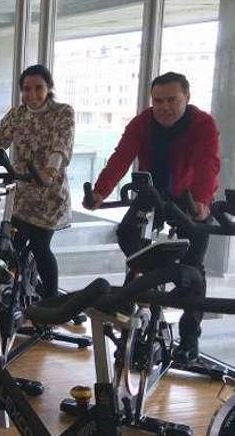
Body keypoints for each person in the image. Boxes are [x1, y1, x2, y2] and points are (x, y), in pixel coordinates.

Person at [85, 71, 220, 363]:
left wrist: (202, 202)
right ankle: (147, 280)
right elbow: (121, 157)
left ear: (187, 98)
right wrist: (99, 192)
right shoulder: (142, 122)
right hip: (153, 194)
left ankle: (189, 339)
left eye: (172, 99)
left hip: (188, 198)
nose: (164, 107)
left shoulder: (202, 124)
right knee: (127, 235)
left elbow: (207, 163)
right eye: (158, 100)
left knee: (194, 267)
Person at [0, 64, 75, 302]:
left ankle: (50, 304)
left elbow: (62, 144)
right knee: (10, 246)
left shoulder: (63, 112)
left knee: (40, 247)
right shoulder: (17, 114)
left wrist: (50, 170)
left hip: (48, 193)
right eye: (26, 89)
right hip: (21, 193)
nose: (32, 94)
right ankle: (16, 295)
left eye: (39, 88)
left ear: (49, 88)